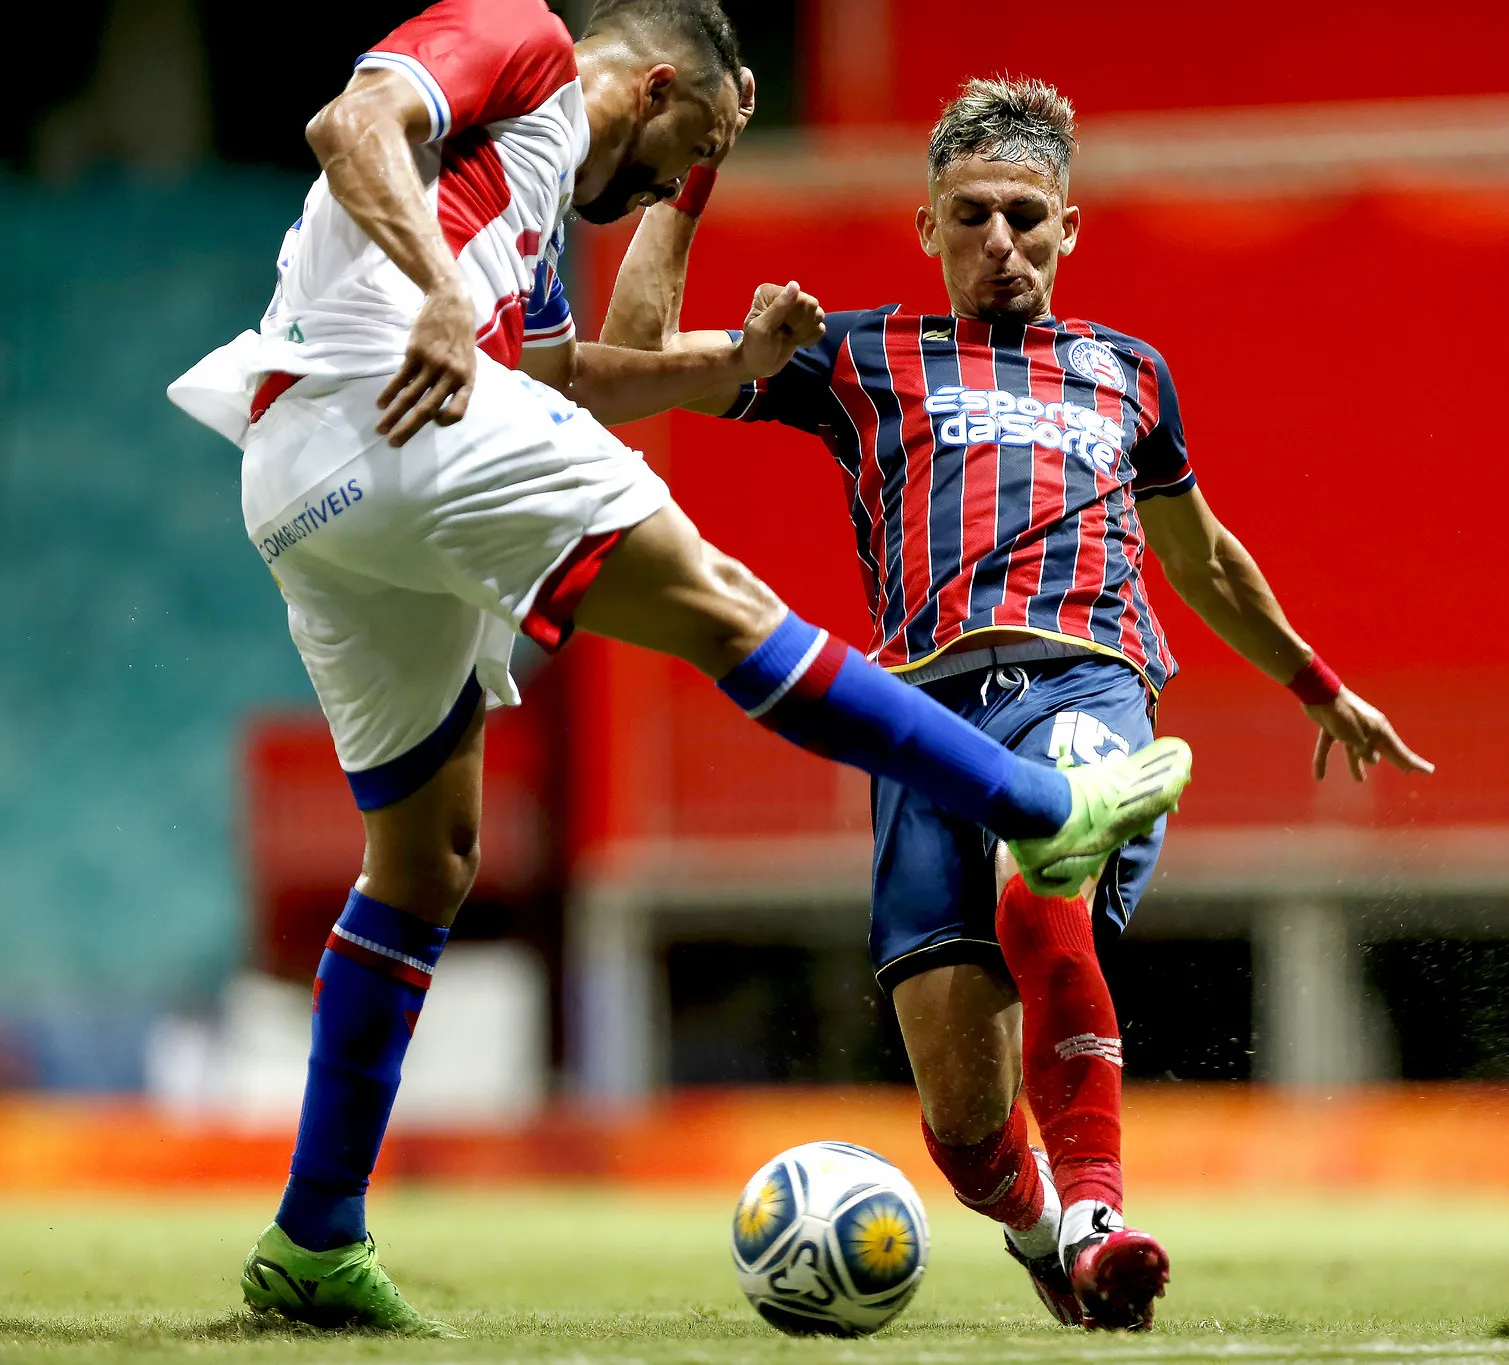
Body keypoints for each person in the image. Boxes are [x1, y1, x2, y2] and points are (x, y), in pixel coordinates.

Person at [166, 2, 1191, 1335]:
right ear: (652, 86)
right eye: (679, 154)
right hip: (399, 402)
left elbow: (573, 373)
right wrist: (429, 301)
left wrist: (731, 345)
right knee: (727, 607)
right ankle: (1041, 806)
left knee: (423, 864)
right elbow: (349, 124)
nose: (655, 189)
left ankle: (313, 1239)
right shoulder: (521, 38)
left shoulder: (522, 222)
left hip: (307, 477)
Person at [595, 77, 1432, 1329]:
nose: (1001, 242)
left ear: (1069, 227)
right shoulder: (856, 353)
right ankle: (1051, 1241)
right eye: (972, 215)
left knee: (1047, 874)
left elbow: (1199, 557)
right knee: (965, 1134)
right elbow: (621, 368)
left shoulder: (1128, 372)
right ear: (925, 226)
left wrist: (1317, 685)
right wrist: (692, 182)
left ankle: (1097, 1209)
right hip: (920, 722)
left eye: (1027, 218)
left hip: (1084, 679)